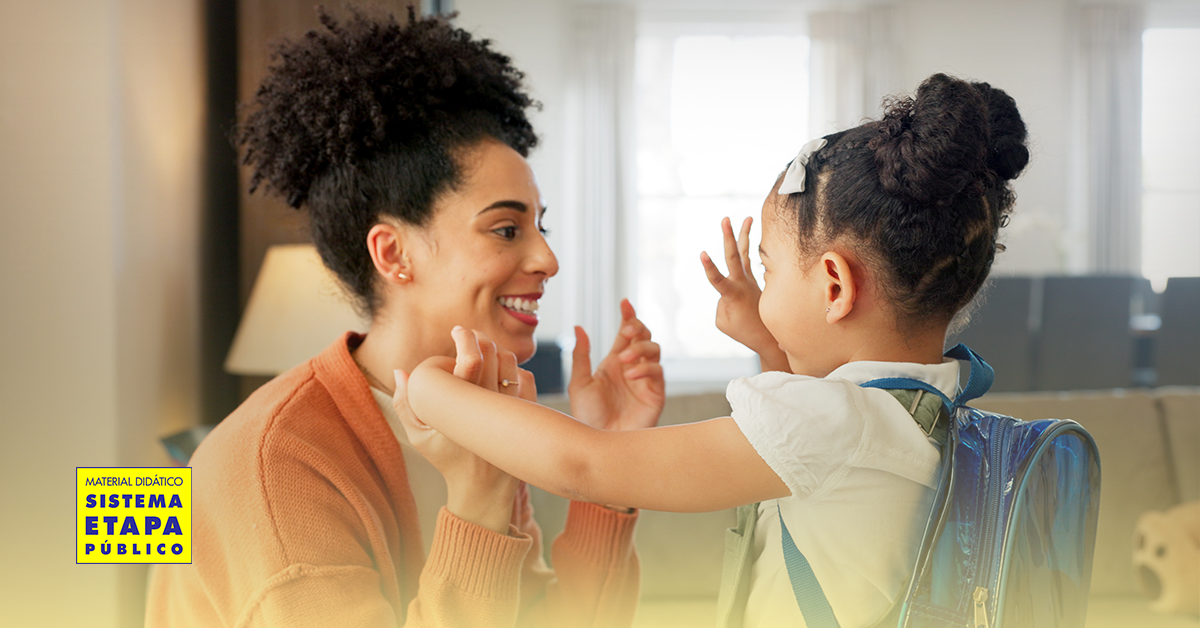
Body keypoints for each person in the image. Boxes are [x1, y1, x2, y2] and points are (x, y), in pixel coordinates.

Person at [399, 73, 1030, 627]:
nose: (763, 289)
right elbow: (823, 436)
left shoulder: (832, 428)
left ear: (835, 286)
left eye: (771, 270)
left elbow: (584, 465)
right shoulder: (930, 407)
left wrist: (432, 389)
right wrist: (766, 334)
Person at [145, 8, 664, 628]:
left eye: (539, 226)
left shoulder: (478, 407)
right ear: (394, 253)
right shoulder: (275, 461)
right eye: (506, 229)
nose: (547, 258)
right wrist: (477, 499)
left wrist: (613, 459)